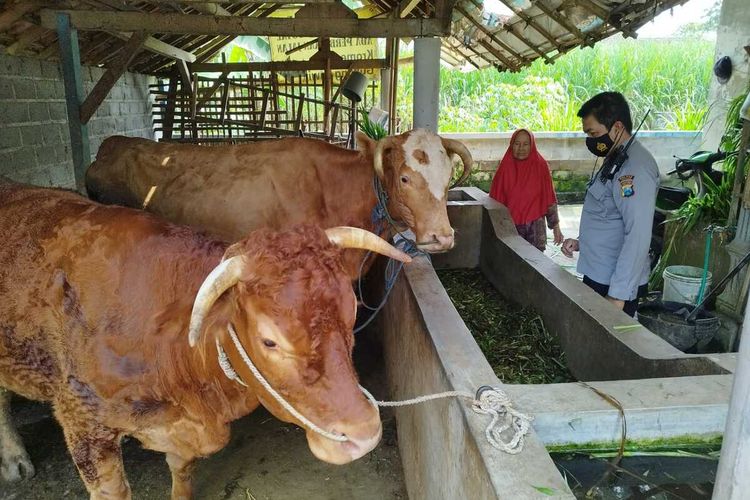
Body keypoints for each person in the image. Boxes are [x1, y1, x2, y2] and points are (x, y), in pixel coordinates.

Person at [561, 92, 659, 317]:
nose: (591, 140)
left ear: (617, 127)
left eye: (593, 133)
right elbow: (608, 215)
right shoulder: (615, 157)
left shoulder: (635, 168)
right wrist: (581, 242)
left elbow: (637, 234)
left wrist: (617, 296)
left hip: (613, 284)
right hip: (598, 272)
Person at [489, 128, 563, 252]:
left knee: (535, 264)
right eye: (517, 144)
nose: (521, 148)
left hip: (535, 227)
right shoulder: (505, 167)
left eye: (526, 144)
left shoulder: (541, 166)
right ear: (511, 145)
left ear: (532, 145)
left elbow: (549, 197)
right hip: (510, 227)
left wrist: (555, 226)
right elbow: (495, 200)